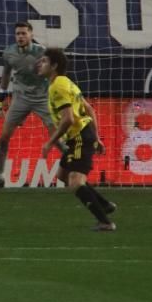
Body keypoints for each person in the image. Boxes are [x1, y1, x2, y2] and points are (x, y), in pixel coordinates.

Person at [37, 49, 117, 232]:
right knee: (63, 175)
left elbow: (68, 119)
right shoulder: (67, 83)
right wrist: (96, 137)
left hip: (79, 136)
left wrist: (50, 142)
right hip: (82, 135)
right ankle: (103, 204)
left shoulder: (58, 86)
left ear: (54, 66)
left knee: (75, 182)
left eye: (44, 61)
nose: (40, 64)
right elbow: (89, 109)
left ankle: (105, 222)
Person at [0, 21, 60, 193]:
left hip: (42, 98)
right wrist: (0, 99)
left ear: (31, 35)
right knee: (4, 137)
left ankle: (74, 171)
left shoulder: (42, 52)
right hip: (20, 99)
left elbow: (54, 73)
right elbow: (6, 74)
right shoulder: (9, 52)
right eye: (18, 34)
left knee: (57, 137)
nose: (20, 37)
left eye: (23, 33)